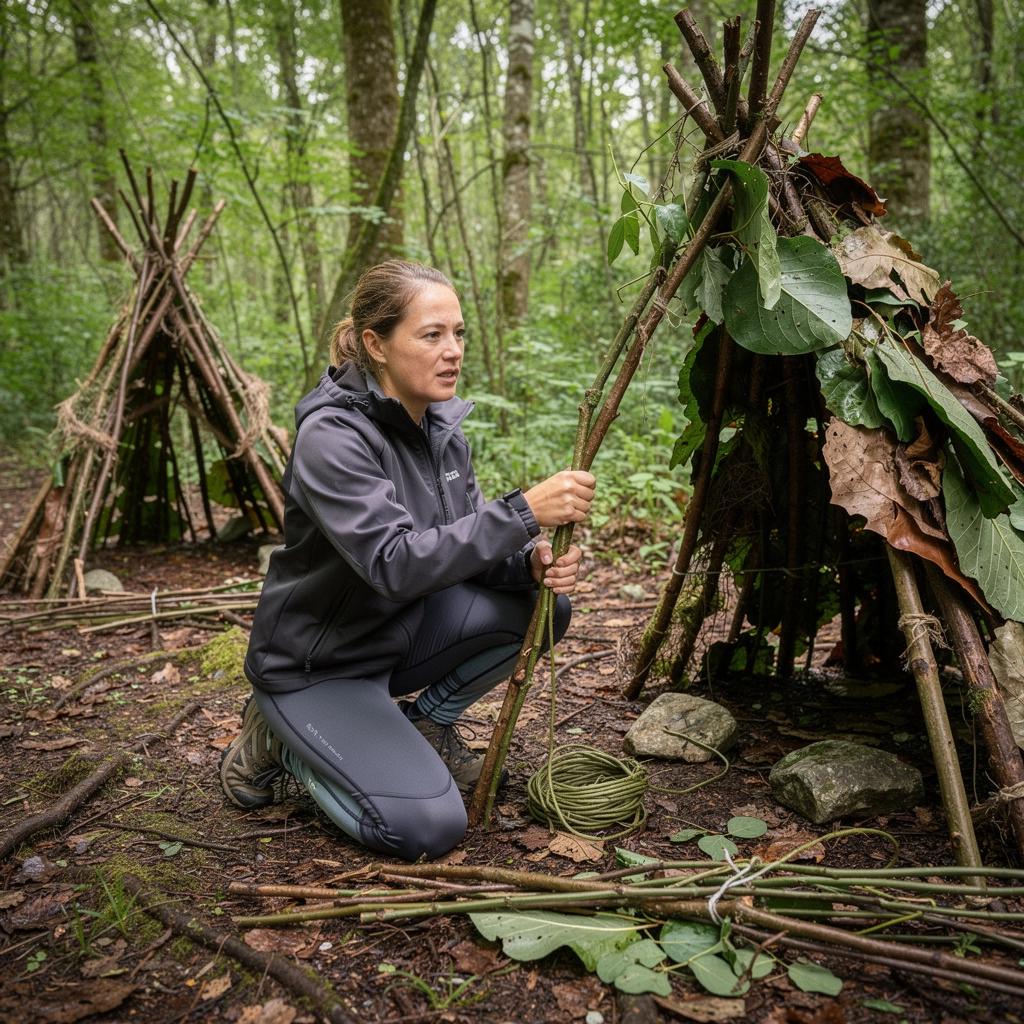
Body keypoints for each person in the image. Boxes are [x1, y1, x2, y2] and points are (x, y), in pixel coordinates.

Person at [219, 260, 596, 861]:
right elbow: (393, 563)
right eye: (431, 335)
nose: (453, 352)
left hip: (397, 636)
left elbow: (460, 547)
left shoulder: (440, 427)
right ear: (376, 344)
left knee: (545, 607)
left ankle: (426, 723)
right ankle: (282, 743)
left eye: (459, 333)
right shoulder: (332, 437)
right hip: (319, 663)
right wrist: (524, 510)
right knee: (428, 829)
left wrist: (528, 561)